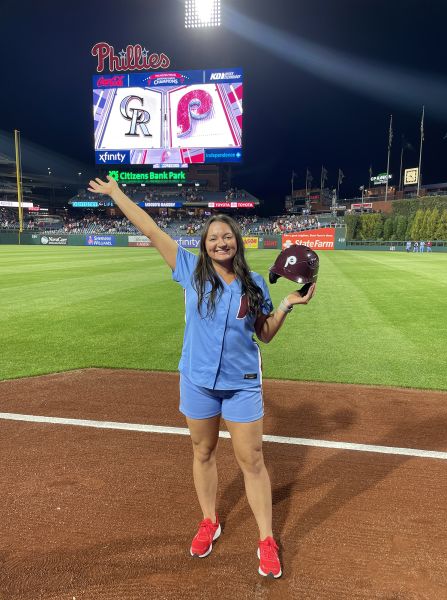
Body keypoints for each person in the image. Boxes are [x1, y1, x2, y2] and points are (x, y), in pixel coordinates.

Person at [87, 176, 316, 578]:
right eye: (213, 238)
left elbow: (263, 333)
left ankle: (266, 539)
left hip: (242, 382)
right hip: (197, 381)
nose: (220, 243)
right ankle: (210, 519)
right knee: (202, 451)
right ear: (204, 244)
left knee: (253, 460)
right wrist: (115, 194)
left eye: (227, 237)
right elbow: (150, 227)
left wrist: (287, 305)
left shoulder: (254, 282)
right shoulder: (189, 269)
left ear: (237, 242)